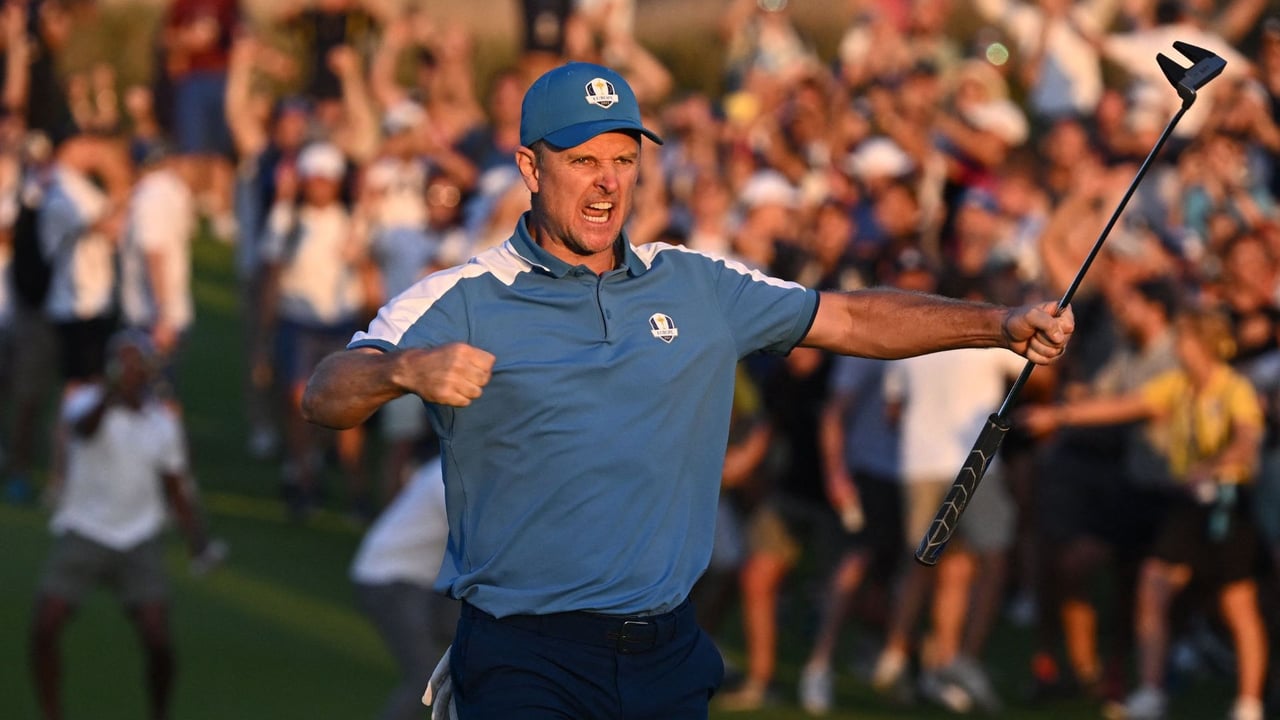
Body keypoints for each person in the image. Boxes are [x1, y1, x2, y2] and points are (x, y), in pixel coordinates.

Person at [301, 61, 1075, 720]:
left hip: (666, 654)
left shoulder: (698, 282)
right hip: (525, 655)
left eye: (624, 159)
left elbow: (850, 318)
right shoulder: (463, 295)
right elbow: (326, 392)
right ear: (531, 169)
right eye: (583, 160)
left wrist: (997, 323)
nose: (608, 183)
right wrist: (402, 370)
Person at [1023, 305, 1269, 720]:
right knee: (1152, 588)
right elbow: (1123, 406)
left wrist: (1216, 465)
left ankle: (1248, 702)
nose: (1178, 347)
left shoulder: (1233, 388)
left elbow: (1246, 438)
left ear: (1204, 344)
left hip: (1226, 504)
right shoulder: (1178, 386)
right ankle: (1152, 691)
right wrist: (1060, 414)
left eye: (1184, 339)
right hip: (1187, 504)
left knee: (1237, 604)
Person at [28, 329, 223, 720]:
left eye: (136, 363)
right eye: (122, 362)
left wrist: (197, 540)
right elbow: (83, 430)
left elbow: (175, 486)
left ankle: (159, 712)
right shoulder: (86, 401)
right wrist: (110, 396)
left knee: (158, 639)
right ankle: (51, 712)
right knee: (45, 626)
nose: (128, 370)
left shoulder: (162, 422)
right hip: (84, 529)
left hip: (139, 536)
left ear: (149, 370)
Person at [351, 455, 460, 720]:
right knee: (425, 677)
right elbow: (479, 543)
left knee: (477, 644)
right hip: (389, 581)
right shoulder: (450, 479)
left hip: (412, 581)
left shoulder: (451, 467)